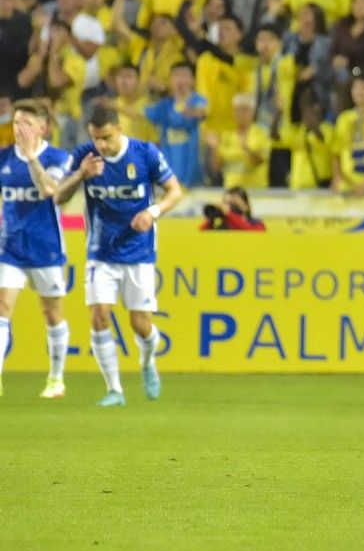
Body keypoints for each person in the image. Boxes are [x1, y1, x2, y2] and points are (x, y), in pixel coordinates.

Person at [44, 106, 183, 407]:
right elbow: (57, 196)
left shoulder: (145, 153)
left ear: (119, 129)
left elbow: (174, 191)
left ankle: (147, 363)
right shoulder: (85, 155)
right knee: (99, 315)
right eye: (96, 139)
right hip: (100, 252)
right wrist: (82, 174)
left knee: (140, 323)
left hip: (139, 251)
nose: (101, 146)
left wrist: (152, 212)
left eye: (106, 138)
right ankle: (114, 389)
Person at [0, 101, 73, 400]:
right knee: (3, 307)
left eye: (27, 123)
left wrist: (31, 158)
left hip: (45, 248)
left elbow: (48, 191)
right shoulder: (3, 158)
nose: (20, 129)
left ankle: (56, 379)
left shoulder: (58, 157)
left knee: (51, 312)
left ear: (42, 127)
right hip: (11, 248)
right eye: (17, 122)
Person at [201, 187, 267, 231]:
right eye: (226, 203)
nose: (229, 208)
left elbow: (247, 230)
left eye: (234, 204)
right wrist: (212, 218)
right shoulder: (221, 226)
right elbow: (202, 236)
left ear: (247, 206)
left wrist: (229, 214)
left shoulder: (257, 224)